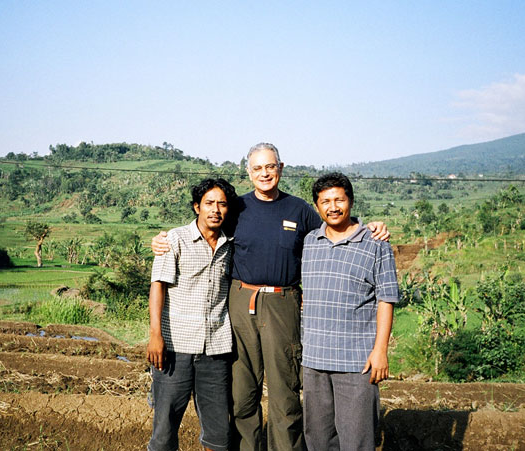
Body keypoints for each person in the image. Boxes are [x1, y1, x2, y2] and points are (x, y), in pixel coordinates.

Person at [152, 143, 390, 451]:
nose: (265, 173)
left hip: (282, 302)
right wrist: (162, 238)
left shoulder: (300, 209)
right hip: (239, 303)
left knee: (284, 394)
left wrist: (368, 226)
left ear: (280, 168)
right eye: (258, 168)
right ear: (248, 172)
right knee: (241, 394)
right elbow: (203, 228)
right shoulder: (236, 208)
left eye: (270, 166)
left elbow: (334, 227)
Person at [301, 172, 399, 451]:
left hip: (356, 362)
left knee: (357, 441)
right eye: (325, 201)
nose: (333, 207)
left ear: (351, 202)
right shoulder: (310, 242)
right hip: (314, 359)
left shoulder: (376, 243)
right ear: (317, 206)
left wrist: (380, 350)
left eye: (339, 200)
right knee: (318, 440)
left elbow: (387, 298)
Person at [147, 178, 238, 451]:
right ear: (197, 207)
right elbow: (158, 286)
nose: (216, 210)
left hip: (216, 349)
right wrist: (155, 336)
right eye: (209, 203)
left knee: (219, 434)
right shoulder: (174, 239)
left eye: (222, 204)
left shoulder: (232, 243)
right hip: (176, 347)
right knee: (164, 429)